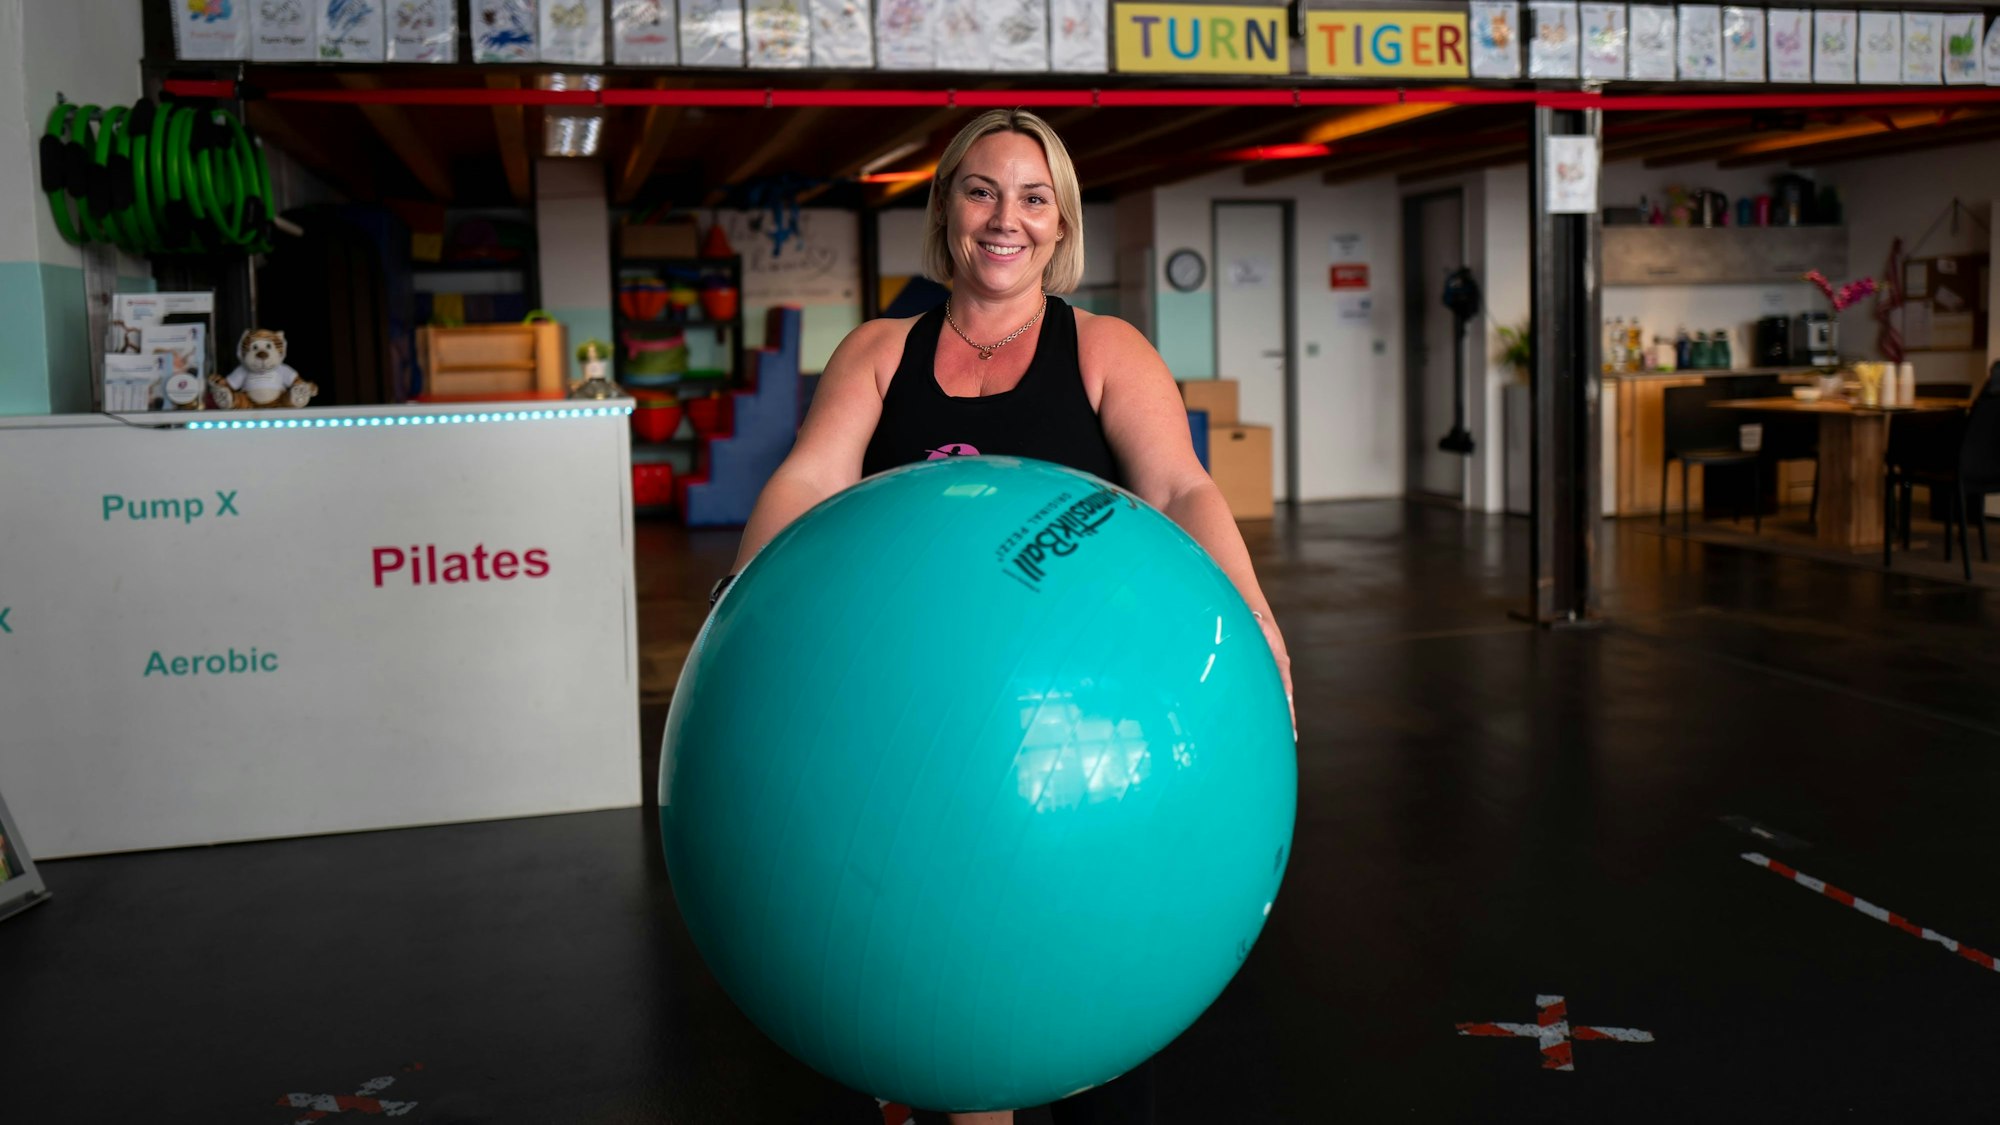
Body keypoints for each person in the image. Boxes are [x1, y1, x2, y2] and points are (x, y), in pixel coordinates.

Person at [715, 109, 1294, 1125]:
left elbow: (1180, 489)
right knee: (928, 961)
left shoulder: (1105, 349)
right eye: (981, 190)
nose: (1005, 218)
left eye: (1034, 198)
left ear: (1060, 227)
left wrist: (1251, 612)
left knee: (1065, 970)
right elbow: (809, 479)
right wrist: (735, 612)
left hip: (1074, 721)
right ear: (945, 210)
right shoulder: (879, 352)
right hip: (911, 720)